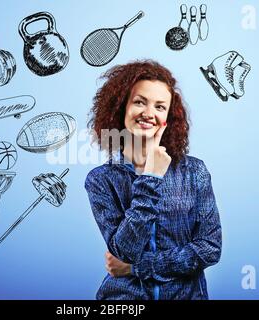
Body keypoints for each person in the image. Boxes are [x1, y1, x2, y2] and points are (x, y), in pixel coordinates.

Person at [84, 60, 222, 300]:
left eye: (160, 106)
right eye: (139, 102)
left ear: (168, 117)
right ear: (121, 108)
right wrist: (151, 177)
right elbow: (124, 250)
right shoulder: (100, 180)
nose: (149, 113)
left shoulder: (194, 172)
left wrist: (137, 268)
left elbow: (209, 249)